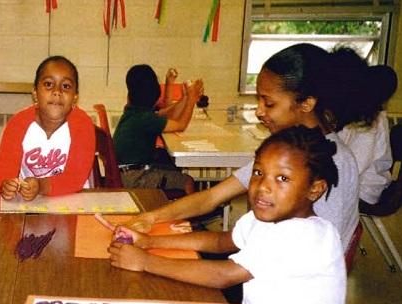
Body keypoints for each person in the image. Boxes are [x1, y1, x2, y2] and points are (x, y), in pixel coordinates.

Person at [109, 126, 346, 304]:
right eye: (258, 173)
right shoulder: (266, 219)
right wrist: (150, 241)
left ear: (315, 189)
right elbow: (221, 241)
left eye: (282, 178)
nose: (263, 187)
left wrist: (144, 261)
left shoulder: (305, 234)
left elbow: (225, 275)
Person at [122, 44, 359, 252]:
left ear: (307, 103)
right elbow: (212, 197)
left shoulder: (332, 162)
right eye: (258, 100)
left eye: (269, 103)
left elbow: (321, 254)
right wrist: (151, 217)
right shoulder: (289, 150)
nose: (259, 111)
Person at [0, 55, 96, 201]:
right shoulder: (18, 123)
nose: (57, 91)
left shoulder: (83, 125)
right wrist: (5, 184)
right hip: (27, 203)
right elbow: (2, 168)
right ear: (35, 92)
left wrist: (41, 186)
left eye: (66, 86)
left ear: (75, 96)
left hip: (72, 200)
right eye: (48, 84)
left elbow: (75, 177)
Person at [112, 65, 203, 193]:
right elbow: (181, 124)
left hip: (125, 173)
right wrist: (192, 99)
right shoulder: (145, 119)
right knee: (187, 181)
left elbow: (168, 115)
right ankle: (189, 212)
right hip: (134, 178)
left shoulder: (134, 112)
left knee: (170, 165)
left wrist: (186, 97)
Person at [337, 63, 397, 205]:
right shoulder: (361, 116)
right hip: (354, 181)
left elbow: (354, 165)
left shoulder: (372, 123)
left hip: (364, 189)